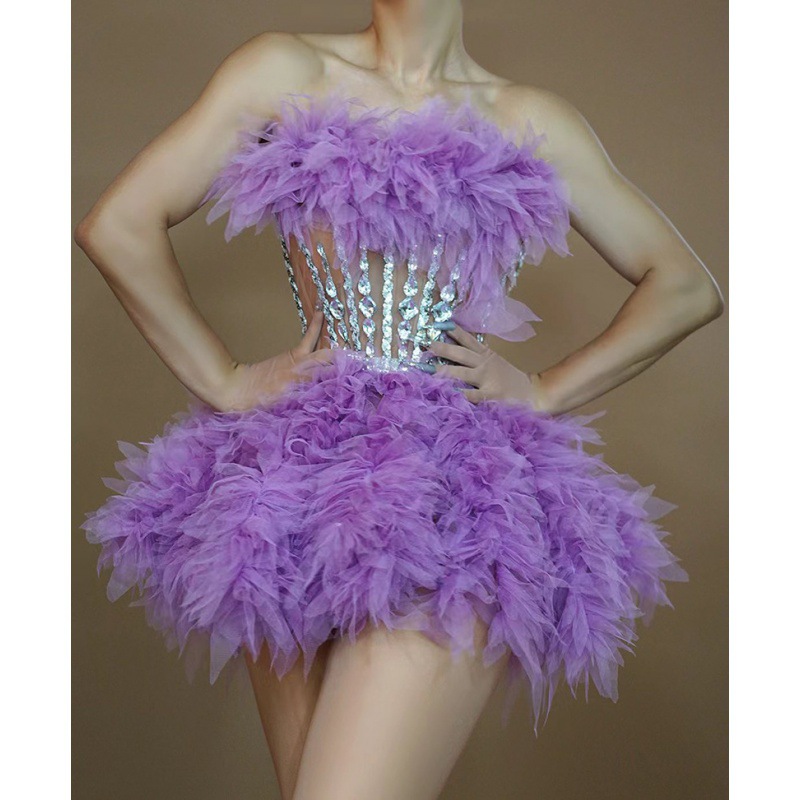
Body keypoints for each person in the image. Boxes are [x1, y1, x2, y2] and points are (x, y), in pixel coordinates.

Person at [74, 2, 724, 798]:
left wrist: (545, 388)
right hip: (288, 490)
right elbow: (119, 224)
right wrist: (224, 378)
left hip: (455, 496)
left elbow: (684, 286)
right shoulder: (286, 70)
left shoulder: (523, 115)